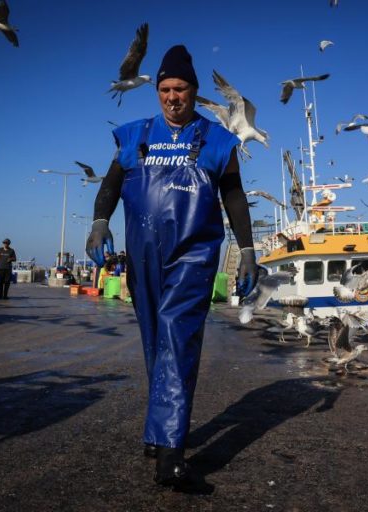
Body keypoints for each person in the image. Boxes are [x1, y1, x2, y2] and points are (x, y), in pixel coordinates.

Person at [86, 44, 257, 490]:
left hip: (193, 257)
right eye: (164, 89)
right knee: (155, 340)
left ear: (194, 92)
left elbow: (234, 197)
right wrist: (100, 223)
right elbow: (110, 185)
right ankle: (160, 428)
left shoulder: (218, 140)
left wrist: (249, 249)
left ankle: (171, 454)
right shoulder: (135, 134)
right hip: (143, 256)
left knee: (178, 339)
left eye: (179, 88)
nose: (171, 96)